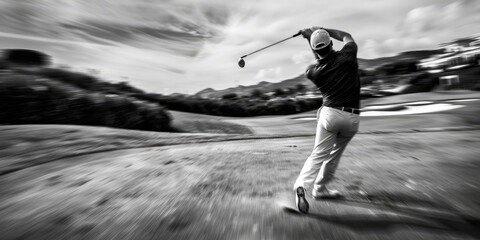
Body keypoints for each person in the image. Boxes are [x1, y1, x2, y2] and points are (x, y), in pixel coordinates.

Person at [294, 27, 361, 214]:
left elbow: (320, 60)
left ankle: (302, 185)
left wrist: (310, 37)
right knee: (334, 155)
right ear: (331, 44)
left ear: (315, 50)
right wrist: (322, 29)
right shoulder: (348, 56)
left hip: (330, 115)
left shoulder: (312, 72)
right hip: (352, 118)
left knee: (318, 155)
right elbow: (347, 35)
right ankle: (320, 189)